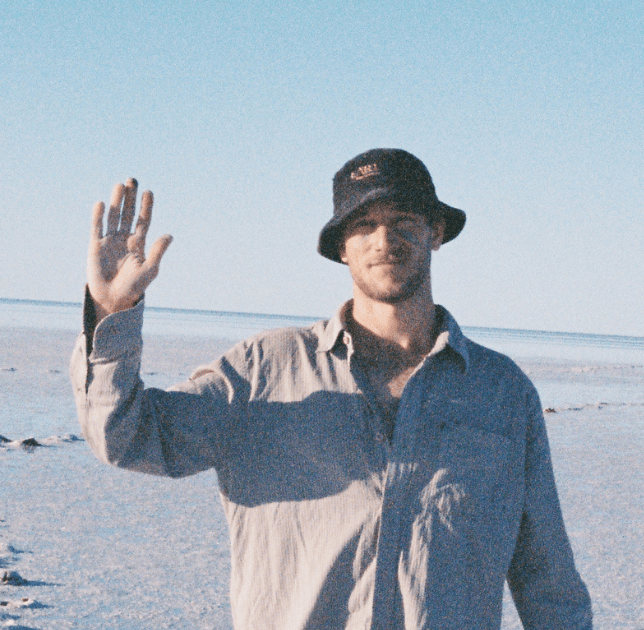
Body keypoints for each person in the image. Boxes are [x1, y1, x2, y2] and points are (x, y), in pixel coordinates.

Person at [70, 148, 592, 629]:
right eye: (363, 225)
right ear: (342, 248)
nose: (384, 241)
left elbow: (548, 581)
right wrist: (112, 313)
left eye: (403, 221)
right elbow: (126, 437)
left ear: (435, 232)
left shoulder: (502, 393)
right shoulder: (262, 371)